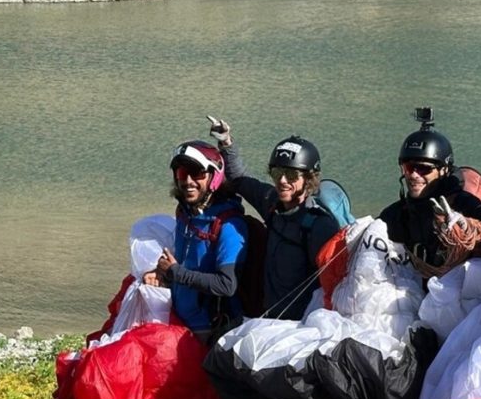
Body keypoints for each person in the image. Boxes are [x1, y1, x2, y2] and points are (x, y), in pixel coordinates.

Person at [206, 117, 341, 321]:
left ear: (309, 179)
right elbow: (240, 179)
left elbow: (334, 284)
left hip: (301, 330)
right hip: (268, 321)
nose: (283, 181)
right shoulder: (272, 203)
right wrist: (226, 143)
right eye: (277, 172)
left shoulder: (320, 225)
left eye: (292, 175)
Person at [144, 140, 248, 344]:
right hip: (178, 319)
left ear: (214, 176)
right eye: (182, 173)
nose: (188, 181)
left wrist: (176, 272)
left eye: (197, 173)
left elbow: (227, 285)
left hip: (209, 331)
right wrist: (162, 273)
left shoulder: (229, 226)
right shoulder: (185, 213)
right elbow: (185, 260)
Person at [378, 108, 481, 276]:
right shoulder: (395, 214)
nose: (414, 175)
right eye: (408, 168)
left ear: (444, 170)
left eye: (424, 169)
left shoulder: (466, 205)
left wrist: (468, 229)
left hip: (461, 293)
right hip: (413, 292)